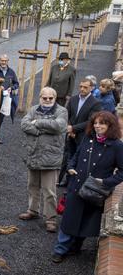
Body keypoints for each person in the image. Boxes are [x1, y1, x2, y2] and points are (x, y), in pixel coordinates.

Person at [52, 111, 123, 263]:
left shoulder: (117, 146)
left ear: (110, 125)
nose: (97, 126)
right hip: (76, 186)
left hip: (95, 191)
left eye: (101, 123)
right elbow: (75, 156)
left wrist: (106, 182)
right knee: (69, 219)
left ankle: (75, 247)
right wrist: (71, 167)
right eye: (95, 123)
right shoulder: (88, 138)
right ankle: (60, 250)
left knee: (85, 221)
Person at [20, 87, 68, 233]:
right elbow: (24, 124)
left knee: (49, 190)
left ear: (54, 98)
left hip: (50, 158)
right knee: (32, 186)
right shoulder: (34, 109)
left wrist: (37, 123)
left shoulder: (61, 111)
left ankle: (50, 219)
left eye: (50, 98)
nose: (47, 100)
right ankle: (33, 210)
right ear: (40, 98)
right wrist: (42, 129)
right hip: (33, 155)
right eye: (44, 98)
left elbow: (59, 126)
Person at [59, 79, 103, 187]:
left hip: (83, 136)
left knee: (79, 159)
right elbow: (66, 115)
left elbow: (90, 121)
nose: (82, 89)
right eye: (81, 86)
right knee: (68, 156)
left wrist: (73, 129)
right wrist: (70, 128)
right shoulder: (73, 99)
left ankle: (74, 181)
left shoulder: (95, 103)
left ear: (92, 88)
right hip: (70, 135)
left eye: (85, 87)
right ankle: (65, 179)